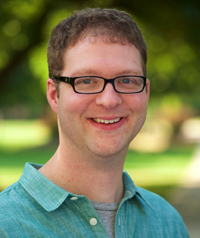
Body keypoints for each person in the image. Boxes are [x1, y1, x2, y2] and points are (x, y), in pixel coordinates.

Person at [0, 8, 189, 238]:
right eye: (87, 80)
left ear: (146, 93)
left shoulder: (166, 222)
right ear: (53, 95)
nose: (109, 100)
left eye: (127, 80)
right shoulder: (6, 225)